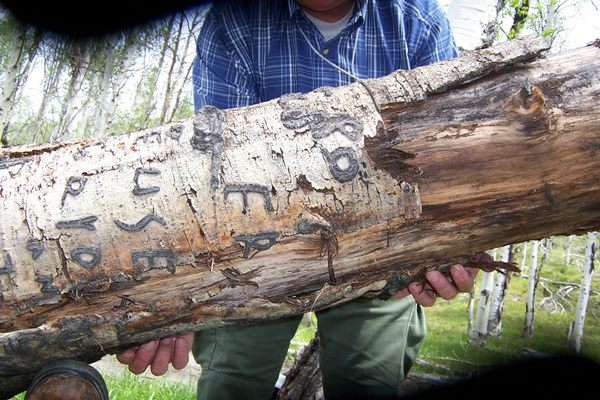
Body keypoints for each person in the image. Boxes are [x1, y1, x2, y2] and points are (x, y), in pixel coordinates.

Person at [117, 1, 488, 398]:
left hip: (380, 248)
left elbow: (450, 156)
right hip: (258, 252)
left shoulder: (416, 21)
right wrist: (176, 286)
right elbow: (213, 174)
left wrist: (457, 238)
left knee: (368, 381)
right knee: (232, 382)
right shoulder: (236, 21)